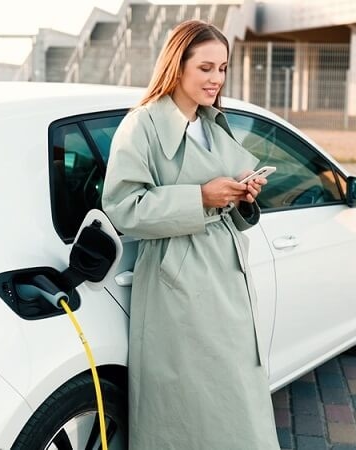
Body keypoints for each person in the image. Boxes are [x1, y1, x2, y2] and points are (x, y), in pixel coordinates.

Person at [101, 20, 281, 450]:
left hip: (228, 276)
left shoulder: (212, 123)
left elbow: (227, 209)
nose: (216, 79)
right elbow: (124, 208)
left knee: (237, 397)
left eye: (222, 68)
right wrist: (200, 197)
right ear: (177, 66)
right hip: (178, 283)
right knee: (188, 404)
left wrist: (242, 197)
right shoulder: (141, 126)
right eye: (205, 68)